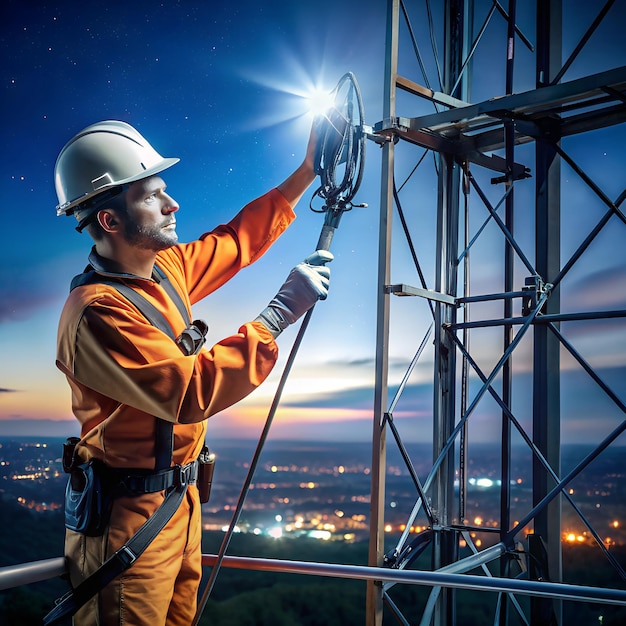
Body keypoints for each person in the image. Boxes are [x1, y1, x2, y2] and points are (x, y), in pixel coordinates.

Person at [52, 119, 331, 625]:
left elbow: (237, 240)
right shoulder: (98, 312)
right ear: (111, 221)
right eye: (152, 196)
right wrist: (276, 315)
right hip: (127, 516)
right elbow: (189, 391)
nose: (172, 204)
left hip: (180, 503)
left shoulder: (164, 272)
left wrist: (306, 171)